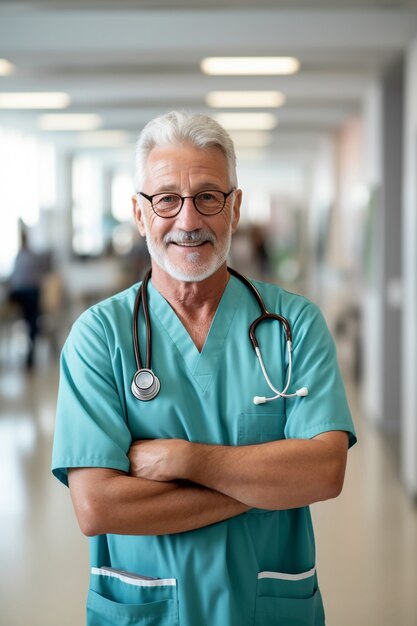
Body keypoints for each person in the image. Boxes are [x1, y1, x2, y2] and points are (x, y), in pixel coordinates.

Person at [52, 111, 356, 626]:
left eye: (208, 197)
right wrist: (265, 484)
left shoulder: (293, 324)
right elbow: (99, 507)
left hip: (265, 610)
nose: (188, 221)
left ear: (235, 209)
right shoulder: (99, 337)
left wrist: (185, 460)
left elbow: (324, 471)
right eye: (167, 198)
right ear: (140, 213)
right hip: (147, 610)